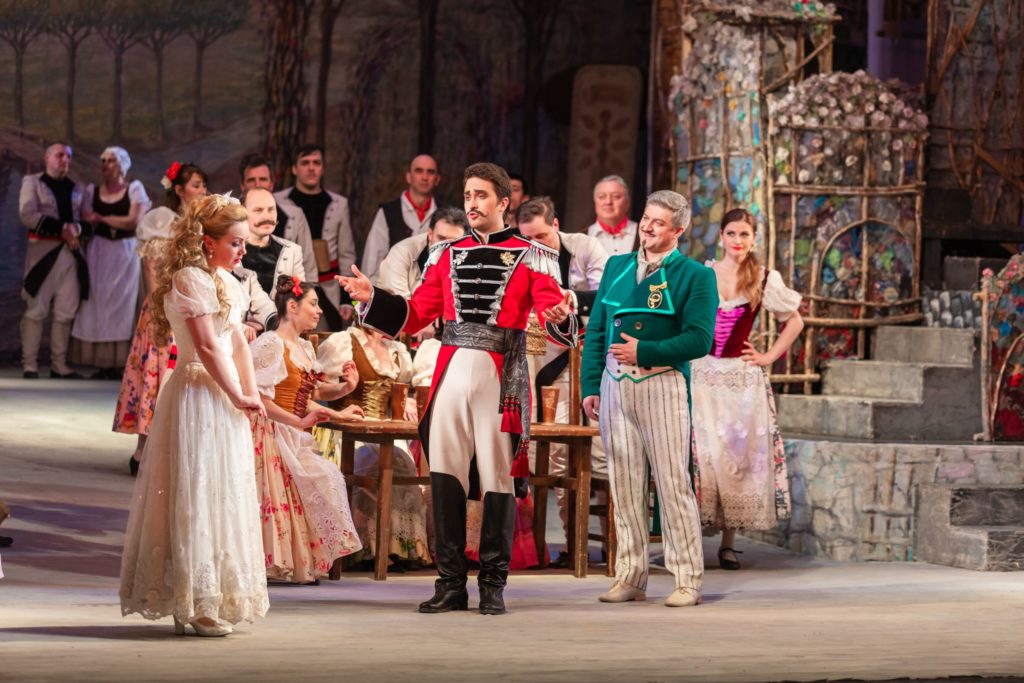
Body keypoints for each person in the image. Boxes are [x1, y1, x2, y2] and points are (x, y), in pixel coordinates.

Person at [339, 162, 575, 615]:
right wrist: (372, 299)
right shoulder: (445, 254)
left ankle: (493, 584)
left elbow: (553, 311)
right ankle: (450, 583)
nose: (472, 203)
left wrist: (562, 316)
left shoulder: (532, 255)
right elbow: (415, 314)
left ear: (503, 202)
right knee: (445, 475)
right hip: (449, 373)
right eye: (467, 195)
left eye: (481, 195)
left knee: (498, 479)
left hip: (499, 377)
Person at [119, 194, 269, 637]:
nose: (243, 251)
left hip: (223, 394)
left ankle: (215, 595)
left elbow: (237, 343)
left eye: (244, 242)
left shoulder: (229, 283)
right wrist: (235, 394)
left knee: (225, 491)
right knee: (196, 491)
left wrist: (250, 393)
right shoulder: (191, 279)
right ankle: (193, 601)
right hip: (197, 392)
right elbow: (205, 346)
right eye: (235, 242)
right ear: (209, 241)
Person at [580, 190, 717, 608]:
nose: (648, 228)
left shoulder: (695, 275)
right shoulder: (618, 266)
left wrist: (646, 351)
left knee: (673, 484)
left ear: (679, 229)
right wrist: (590, 386)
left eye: (659, 222)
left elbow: (700, 339)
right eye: (646, 219)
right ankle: (631, 574)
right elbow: (597, 330)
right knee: (624, 484)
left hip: (662, 385)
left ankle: (687, 578)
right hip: (615, 386)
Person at [691, 207, 803, 570]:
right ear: (721, 236)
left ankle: (728, 544)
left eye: (744, 234)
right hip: (702, 375)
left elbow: (795, 322)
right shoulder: (704, 274)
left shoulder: (764, 277)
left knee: (736, 458)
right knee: (704, 458)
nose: (737, 241)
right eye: (731, 233)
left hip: (741, 382)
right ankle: (690, 541)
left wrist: (768, 356)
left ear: (754, 239)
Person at [249, 275, 364, 583]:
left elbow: (311, 394)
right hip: (269, 431)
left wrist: (345, 391)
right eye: (313, 304)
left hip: (294, 431)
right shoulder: (270, 344)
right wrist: (299, 421)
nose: (318, 311)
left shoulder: (303, 347)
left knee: (326, 476)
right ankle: (272, 561)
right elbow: (259, 398)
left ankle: (296, 560)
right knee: (300, 485)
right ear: (292, 306)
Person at [516, 196, 608, 561]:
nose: (535, 246)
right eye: (527, 239)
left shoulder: (584, 247)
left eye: (541, 236)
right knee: (547, 456)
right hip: (537, 364)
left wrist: (573, 299)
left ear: (555, 225)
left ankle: (600, 544)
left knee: (585, 455)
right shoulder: (520, 257)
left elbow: (608, 293)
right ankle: (552, 545)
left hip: (581, 362)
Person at [114, 161, 207, 476]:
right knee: (157, 374)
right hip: (164, 309)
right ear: (179, 190)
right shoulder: (163, 221)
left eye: (203, 185)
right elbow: (152, 269)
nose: (202, 191)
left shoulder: (201, 224)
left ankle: (176, 452)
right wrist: (161, 309)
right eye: (196, 185)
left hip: (191, 309)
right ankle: (143, 451)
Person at [316, 324, 432, 569]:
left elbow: (396, 396)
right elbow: (318, 390)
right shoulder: (344, 343)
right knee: (368, 463)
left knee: (402, 466)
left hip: (385, 428)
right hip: (347, 427)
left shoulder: (396, 350)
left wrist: (408, 401)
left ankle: (399, 547)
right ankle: (365, 548)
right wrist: (346, 387)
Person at [72, 146, 152, 377]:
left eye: (111, 160)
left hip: (125, 251)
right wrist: (100, 220)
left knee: (124, 303)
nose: (106, 164)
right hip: (100, 252)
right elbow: (87, 218)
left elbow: (134, 220)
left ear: (123, 165)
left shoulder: (134, 189)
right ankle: (103, 363)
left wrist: (102, 218)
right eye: (103, 160)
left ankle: (123, 362)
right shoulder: (93, 191)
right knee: (99, 302)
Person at [19, 142, 89, 379]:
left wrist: (77, 229)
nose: (65, 160)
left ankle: (59, 365)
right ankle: (30, 364)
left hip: (71, 255)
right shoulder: (32, 182)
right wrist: (62, 229)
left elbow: (88, 220)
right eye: (60, 155)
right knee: (36, 309)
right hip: (42, 255)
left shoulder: (77, 187)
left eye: (68, 156)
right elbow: (27, 214)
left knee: (65, 311)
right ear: (47, 158)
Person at [275, 144, 357, 322]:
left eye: (316, 163)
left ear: (323, 168)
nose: (311, 168)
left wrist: (347, 299)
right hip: (290, 286)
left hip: (330, 286)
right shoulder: (278, 201)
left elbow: (346, 254)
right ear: (295, 168)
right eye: (305, 163)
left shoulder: (338, 204)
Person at [360, 154, 442, 283]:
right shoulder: (388, 212)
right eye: (419, 171)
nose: (425, 177)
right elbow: (372, 262)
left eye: (430, 172)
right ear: (408, 177)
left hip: (431, 292)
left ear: (437, 179)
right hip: (393, 291)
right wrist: (373, 293)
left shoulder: (445, 216)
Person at [239, 153, 316, 281]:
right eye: (251, 180)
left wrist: (308, 291)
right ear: (242, 185)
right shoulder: (232, 219)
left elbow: (308, 264)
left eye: (263, 179)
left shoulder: (294, 215)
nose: (257, 184)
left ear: (271, 184)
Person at [376, 206, 469, 299]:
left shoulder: (470, 253)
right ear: (430, 234)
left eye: (453, 242)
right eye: (441, 239)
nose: (445, 247)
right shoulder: (401, 253)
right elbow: (399, 305)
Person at [239, 188, 306, 295]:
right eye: (258, 210)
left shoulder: (292, 251)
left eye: (271, 209)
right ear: (242, 213)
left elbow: (300, 297)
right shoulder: (229, 250)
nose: (267, 216)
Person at [585, 175, 638, 257]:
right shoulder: (581, 238)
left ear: (627, 202)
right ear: (595, 202)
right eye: (602, 197)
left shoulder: (644, 233)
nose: (608, 202)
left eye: (615, 196)